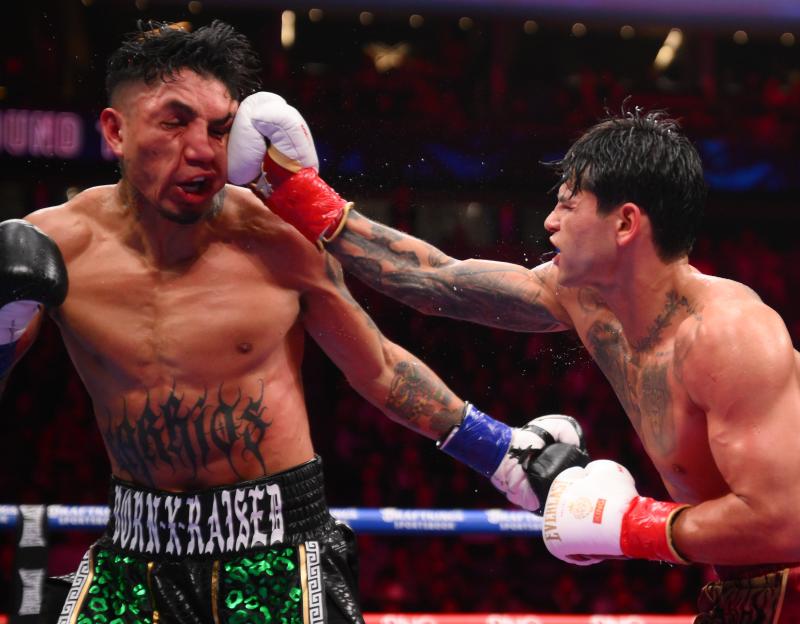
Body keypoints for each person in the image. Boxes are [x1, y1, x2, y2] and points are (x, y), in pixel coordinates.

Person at [0, 21, 589, 623]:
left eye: (220, 127)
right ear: (115, 131)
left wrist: (501, 454)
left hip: (277, 547)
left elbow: (380, 367)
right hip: (136, 551)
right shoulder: (53, 244)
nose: (203, 150)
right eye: (174, 122)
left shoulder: (275, 235)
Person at [255, 103, 800, 622]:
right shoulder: (583, 300)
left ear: (625, 223)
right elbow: (436, 281)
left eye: (567, 203)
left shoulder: (730, 337)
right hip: (737, 591)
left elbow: (782, 525)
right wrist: (296, 195)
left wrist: (621, 523)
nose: (549, 222)